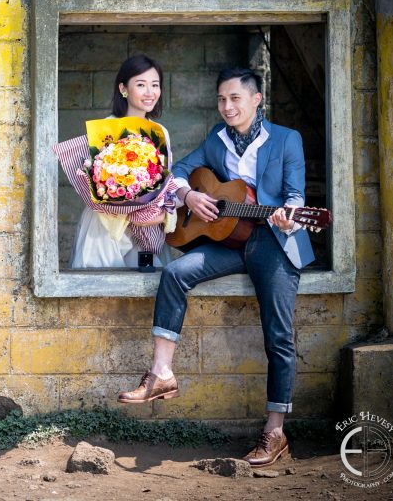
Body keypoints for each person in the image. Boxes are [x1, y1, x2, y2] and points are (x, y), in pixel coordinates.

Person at [117, 67, 314, 468]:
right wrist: (188, 196)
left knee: (277, 335)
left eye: (235, 99)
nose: (227, 107)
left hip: (273, 241)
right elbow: (180, 171)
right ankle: (161, 373)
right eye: (222, 99)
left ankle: (275, 432)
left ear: (256, 99)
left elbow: (295, 196)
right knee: (174, 273)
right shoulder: (216, 138)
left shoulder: (286, 140)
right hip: (230, 241)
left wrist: (289, 216)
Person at [69, 54, 174, 269]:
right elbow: (96, 180)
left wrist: (160, 215)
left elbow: (165, 184)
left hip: (146, 227)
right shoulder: (105, 129)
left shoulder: (160, 132)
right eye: (141, 84)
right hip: (107, 226)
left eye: (155, 85)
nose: (149, 92)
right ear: (123, 89)